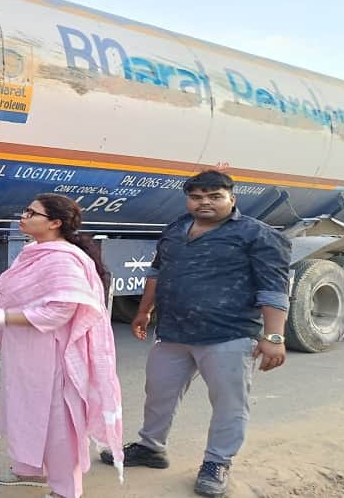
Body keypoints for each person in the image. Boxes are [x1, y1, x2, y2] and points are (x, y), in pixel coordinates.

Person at [101, 170, 291, 498]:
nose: (204, 202)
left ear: (232, 198)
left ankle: (217, 462)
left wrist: (274, 337)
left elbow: (273, 288)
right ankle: (151, 448)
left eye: (214, 196)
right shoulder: (176, 229)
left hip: (228, 334)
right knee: (158, 393)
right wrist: (144, 311)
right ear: (188, 199)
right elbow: (157, 271)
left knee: (229, 404)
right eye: (197, 196)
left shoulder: (256, 234)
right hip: (174, 332)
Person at [0, 194, 124, 498]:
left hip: (52, 352)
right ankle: (31, 469)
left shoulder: (62, 258)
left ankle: (66, 490)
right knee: (24, 409)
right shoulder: (33, 251)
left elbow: (59, 310)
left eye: (32, 213)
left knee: (58, 422)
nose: (24, 216)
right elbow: (30, 292)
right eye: (25, 211)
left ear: (55, 223)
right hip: (25, 352)